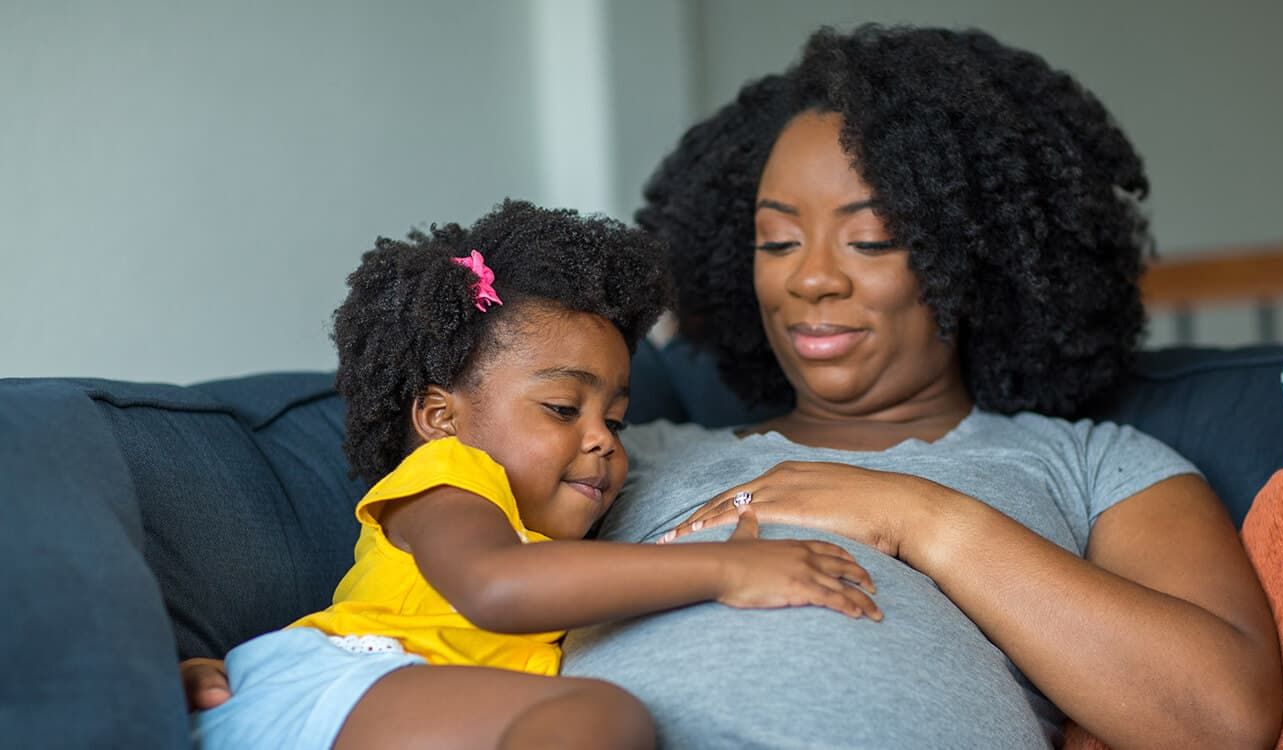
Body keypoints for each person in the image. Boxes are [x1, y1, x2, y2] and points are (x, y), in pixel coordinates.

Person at [187, 25, 1283, 749]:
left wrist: (920, 517)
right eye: (773, 240)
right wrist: (275, 684)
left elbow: (1219, 717)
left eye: (873, 239)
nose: (809, 277)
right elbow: (444, 592)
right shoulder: (611, 449)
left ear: (974, 252)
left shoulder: (1093, 464)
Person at [187, 200, 881, 750]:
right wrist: (726, 571)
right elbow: (497, 588)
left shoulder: (551, 539)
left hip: (398, 706)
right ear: (440, 415)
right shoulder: (448, 479)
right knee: (597, 715)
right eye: (561, 407)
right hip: (342, 681)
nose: (602, 442)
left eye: (615, 419)